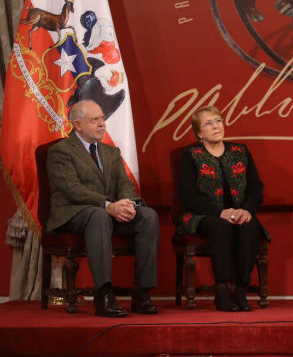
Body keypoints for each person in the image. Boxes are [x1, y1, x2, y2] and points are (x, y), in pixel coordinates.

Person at [46, 100, 159, 317]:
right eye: (94, 120)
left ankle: (142, 293)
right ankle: (104, 294)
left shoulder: (110, 152)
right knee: (98, 215)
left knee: (148, 216)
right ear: (77, 125)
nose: (102, 124)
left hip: (106, 213)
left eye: (102, 118)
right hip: (72, 213)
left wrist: (125, 204)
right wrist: (109, 205)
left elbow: (124, 184)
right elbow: (73, 190)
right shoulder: (60, 151)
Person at [176, 106, 265, 312]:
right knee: (221, 227)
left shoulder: (240, 151)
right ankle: (222, 290)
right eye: (209, 123)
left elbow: (255, 189)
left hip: (239, 211)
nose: (216, 126)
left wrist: (247, 210)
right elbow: (188, 197)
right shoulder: (191, 155)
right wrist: (221, 212)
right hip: (202, 215)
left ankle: (241, 290)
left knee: (250, 226)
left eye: (218, 120)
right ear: (199, 133)